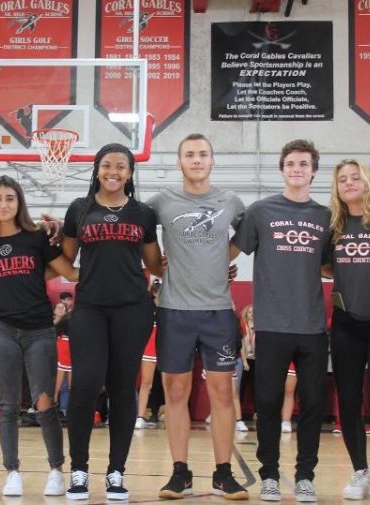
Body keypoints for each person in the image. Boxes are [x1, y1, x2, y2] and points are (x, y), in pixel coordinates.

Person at [145, 133, 247, 500]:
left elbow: (249, 232)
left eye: (203, 154)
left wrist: (226, 259)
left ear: (212, 160)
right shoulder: (162, 202)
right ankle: (180, 473)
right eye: (190, 154)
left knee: (222, 392)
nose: (197, 159)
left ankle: (223, 474)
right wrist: (155, 262)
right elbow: (137, 229)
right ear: (179, 162)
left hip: (218, 312)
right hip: (174, 310)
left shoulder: (229, 202)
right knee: (175, 391)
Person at [61, 143, 163, 501]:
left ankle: (116, 472)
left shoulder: (143, 214)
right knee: (86, 384)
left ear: (131, 173)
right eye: (107, 165)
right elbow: (66, 259)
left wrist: (206, 266)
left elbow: (154, 264)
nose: (114, 171)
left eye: (122, 165)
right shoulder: (79, 209)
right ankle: (78, 470)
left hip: (133, 310)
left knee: (122, 388)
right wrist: (69, 268)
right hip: (89, 308)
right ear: (97, 169)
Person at [232, 139, 331, 502]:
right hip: (271, 326)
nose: (297, 169)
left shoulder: (325, 217)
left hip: (313, 328)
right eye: (291, 163)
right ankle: (269, 475)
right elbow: (229, 250)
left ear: (313, 171)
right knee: (269, 403)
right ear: (282, 169)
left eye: (304, 164)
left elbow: (332, 266)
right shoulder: (261, 211)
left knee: (312, 403)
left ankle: (305, 475)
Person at [0, 175, 78, 496]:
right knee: (7, 404)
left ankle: (57, 470)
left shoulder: (35, 238)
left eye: (10, 198)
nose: (4, 204)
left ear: (20, 203)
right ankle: (12, 471)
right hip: (2, 329)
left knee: (44, 402)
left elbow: (70, 271)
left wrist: (114, 269)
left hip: (39, 331)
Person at [328, 159, 370, 501]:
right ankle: (360, 472)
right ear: (337, 188)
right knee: (350, 400)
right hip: (345, 324)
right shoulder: (334, 227)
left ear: (368, 182)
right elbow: (326, 267)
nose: (349, 183)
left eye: (356, 177)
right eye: (343, 179)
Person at [135, 279, 161, 430]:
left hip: (166, 346)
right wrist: (151, 279)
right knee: (146, 382)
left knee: (168, 384)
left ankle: (168, 415)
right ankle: (140, 416)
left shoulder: (168, 309)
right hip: (150, 346)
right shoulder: (147, 307)